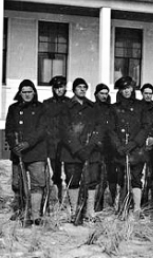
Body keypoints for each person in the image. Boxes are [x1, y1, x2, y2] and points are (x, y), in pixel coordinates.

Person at [59, 78, 103, 222]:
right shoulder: (66, 107)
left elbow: (99, 127)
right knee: (73, 180)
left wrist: (90, 146)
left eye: (84, 87)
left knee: (92, 181)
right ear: (74, 89)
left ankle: (90, 211)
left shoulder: (93, 107)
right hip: (72, 152)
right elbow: (65, 130)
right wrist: (77, 148)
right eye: (79, 87)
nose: (82, 89)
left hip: (91, 151)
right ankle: (74, 211)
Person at [5, 80, 48, 226]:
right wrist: (14, 146)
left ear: (34, 92)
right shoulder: (13, 108)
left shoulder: (41, 108)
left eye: (30, 91)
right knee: (18, 184)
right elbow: (9, 130)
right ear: (20, 93)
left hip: (35, 152)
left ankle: (36, 215)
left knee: (37, 184)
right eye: (24, 92)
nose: (27, 94)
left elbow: (42, 129)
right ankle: (22, 212)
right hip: (18, 154)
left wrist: (28, 143)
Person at [109, 76, 149, 219]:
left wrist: (133, 143)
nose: (127, 91)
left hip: (137, 150)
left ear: (133, 89)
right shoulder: (114, 108)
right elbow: (111, 129)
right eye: (124, 88)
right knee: (121, 178)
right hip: (120, 150)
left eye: (129, 88)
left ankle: (137, 209)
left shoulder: (141, 106)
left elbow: (145, 128)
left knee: (136, 178)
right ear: (120, 90)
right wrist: (118, 146)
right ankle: (121, 208)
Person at [43, 76, 70, 203]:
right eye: (57, 87)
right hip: (53, 144)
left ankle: (70, 199)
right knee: (56, 173)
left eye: (62, 87)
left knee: (70, 172)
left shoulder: (70, 103)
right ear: (53, 89)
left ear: (65, 87)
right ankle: (58, 199)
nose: (59, 90)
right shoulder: (47, 104)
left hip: (68, 145)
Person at [93, 83, 114, 210]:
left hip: (109, 147)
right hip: (95, 147)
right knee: (95, 176)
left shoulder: (111, 109)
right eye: (102, 93)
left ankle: (103, 203)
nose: (104, 96)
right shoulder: (92, 108)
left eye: (106, 93)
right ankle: (94, 204)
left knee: (107, 176)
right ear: (96, 94)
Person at [140, 83, 153, 204]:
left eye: (150, 93)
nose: (148, 95)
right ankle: (140, 198)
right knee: (139, 171)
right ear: (142, 93)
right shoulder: (137, 108)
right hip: (140, 145)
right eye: (146, 93)